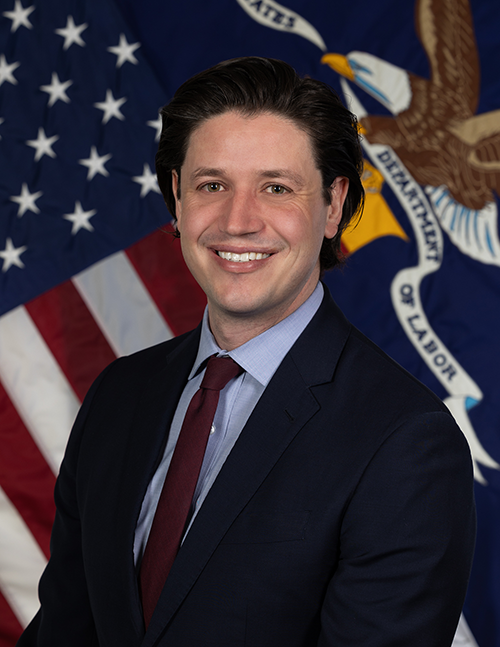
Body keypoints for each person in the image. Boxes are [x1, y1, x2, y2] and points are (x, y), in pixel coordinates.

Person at [18, 57, 475, 647]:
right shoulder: (119, 395)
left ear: (334, 205)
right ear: (177, 198)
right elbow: (65, 631)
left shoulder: (405, 442)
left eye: (276, 187)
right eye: (212, 185)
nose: (238, 221)